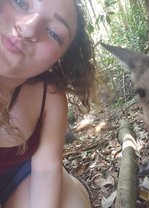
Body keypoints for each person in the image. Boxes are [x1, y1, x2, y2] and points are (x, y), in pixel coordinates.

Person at [0, 0, 96, 207]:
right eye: (20, 2)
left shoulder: (49, 96)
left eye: (54, 33)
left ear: (59, 60)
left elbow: (46, 169)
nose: (27, 28)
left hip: (19, 179)